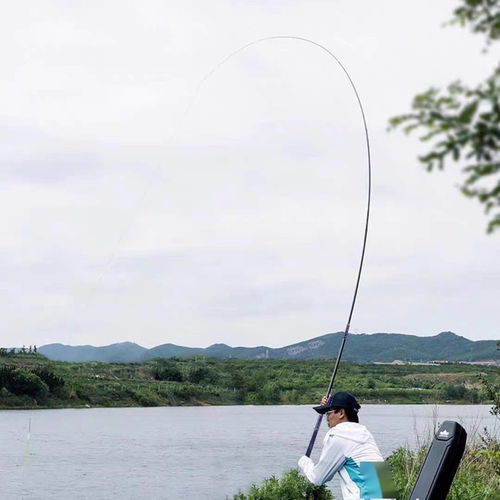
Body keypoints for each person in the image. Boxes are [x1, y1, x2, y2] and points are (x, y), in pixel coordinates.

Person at [298, 392, 395, 500]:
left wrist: (304, 462)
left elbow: (318, 478)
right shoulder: (364, 434)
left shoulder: (338, 436)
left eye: (328, 413)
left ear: (341, 413)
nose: (327, 418)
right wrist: (329, 406)